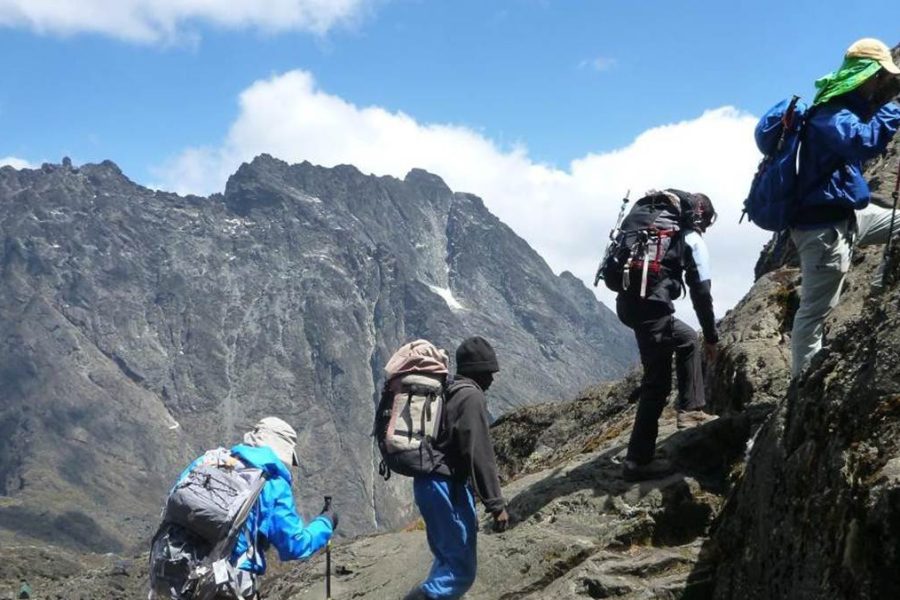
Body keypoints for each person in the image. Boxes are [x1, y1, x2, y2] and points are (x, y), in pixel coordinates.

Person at [789, 38, 900, 378]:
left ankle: (880, 291)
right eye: (880, 77)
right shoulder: (830, 114)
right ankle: (801, 386)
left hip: (846, 218)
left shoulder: (843, 108)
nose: (882, 84)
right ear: (867, 75)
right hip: (823, 232)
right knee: (814, 312)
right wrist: (895, 108)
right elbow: (862, 142)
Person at [151, 417, 336, 599]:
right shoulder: (272, 482)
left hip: (177, 574)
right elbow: (294, 545)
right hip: (226, 585)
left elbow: (173, 503)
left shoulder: (208, 461)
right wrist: (325, 522)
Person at [616, 190, 720, 482]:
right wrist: (712, 337)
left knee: (686, 338)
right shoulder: (690, 238)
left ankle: (690, 409)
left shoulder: (649, 224)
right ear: (701, 217)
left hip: (628, 302)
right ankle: (637, 462)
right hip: (651, 307)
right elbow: (701, 293)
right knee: (657, 384)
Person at [404, 336, 510, 600]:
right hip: (445, 486)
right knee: (460, 570)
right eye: (489, 372)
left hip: (428, 483)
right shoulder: (471, 397)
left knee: (446, 560)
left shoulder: (448, 391)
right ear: (477, 371)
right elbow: (479, 453)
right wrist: (496, 504)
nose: (492, 380)